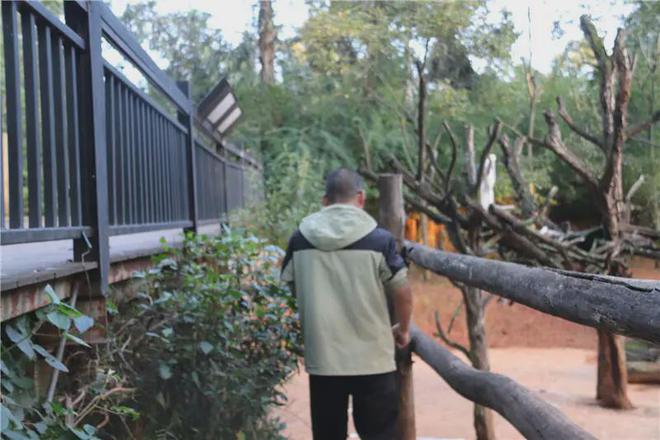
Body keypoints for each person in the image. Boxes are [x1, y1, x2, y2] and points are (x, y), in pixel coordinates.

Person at [281, 168, 413, 440]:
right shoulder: (380, 240)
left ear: (325, 201)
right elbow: (401, 289)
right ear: (361, 198)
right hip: (373, 359)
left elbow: (290, 287)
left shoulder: (300, 239)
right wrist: (403, 329)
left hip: (324, 358)